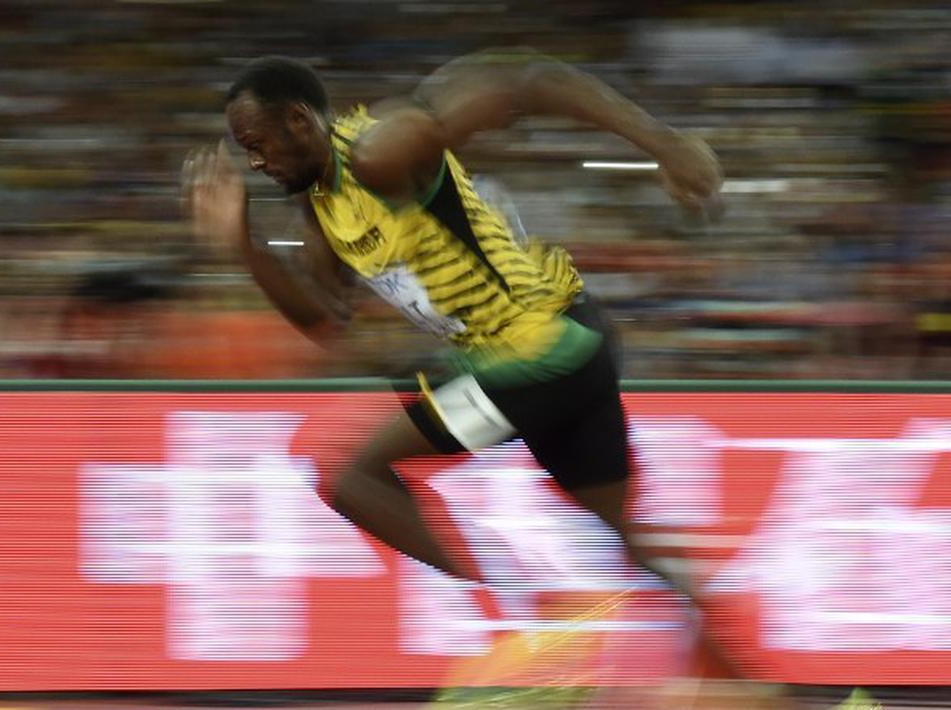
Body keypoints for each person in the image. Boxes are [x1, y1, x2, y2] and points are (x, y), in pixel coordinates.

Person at [183, 48, 725, 671]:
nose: (255, 162)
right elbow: (326, 320)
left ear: (300, 121)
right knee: (627, 541)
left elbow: (523, 80)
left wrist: (663, 141)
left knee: (351, 475)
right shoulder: (320, 206)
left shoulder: (381, 152)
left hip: (542, 350)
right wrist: (244, 248)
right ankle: (755, 687)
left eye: (258, 144)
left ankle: (525, 612)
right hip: (558, 356)